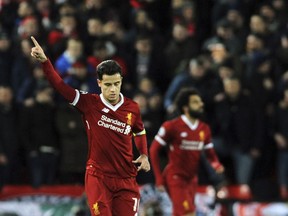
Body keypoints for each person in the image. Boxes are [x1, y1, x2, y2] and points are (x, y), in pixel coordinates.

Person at [30, 36, 150, 215]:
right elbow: (61, 86)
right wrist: (46, 62)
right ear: (99, 83)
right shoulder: (89, 103)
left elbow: (139, 131)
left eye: (116, 84)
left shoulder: (132, 107)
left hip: (126, 178)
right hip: (98, 177)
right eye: (108, 84)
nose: (112, 89)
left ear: (121, 82)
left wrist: (144, 155)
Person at [150, 88, 224, 216]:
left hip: (192, 179)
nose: (201, 104)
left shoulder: (204, 129)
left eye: (200, 101)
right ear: (185, 107)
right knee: (187, 213)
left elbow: (209, 152)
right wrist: (158, 177)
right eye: (195, 102)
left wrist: (216, 164)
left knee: (183, 212)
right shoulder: (171, 126)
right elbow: (153, 150)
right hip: (176, 177)